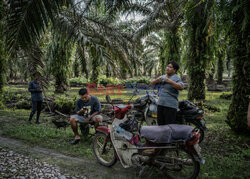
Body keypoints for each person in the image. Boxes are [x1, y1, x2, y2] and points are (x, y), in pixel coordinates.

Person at [150, 61, 184, 125]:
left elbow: (181, 87)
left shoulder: (177, 77)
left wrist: (169, 81)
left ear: (174, 70)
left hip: (170, 105)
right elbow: (151, 84)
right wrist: (156, 80)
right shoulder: (163, 76)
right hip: (160, 104)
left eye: (170, 67)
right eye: (167, 66)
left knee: (169, 126)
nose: (167, 68)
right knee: (160, 125)